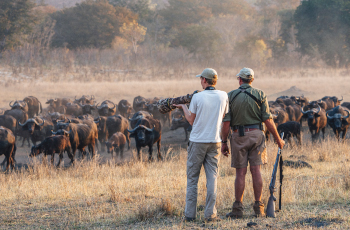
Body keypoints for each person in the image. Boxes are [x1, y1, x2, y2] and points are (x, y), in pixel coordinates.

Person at [221, 67, 285, 218]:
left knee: (240, 173)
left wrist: (224, 142)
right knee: (256, 171)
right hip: (257, 135)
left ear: (239, 79)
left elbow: (226, 123)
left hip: (238, 136)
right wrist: (277, 139)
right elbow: (268, 120)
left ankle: (237, 209)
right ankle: (259, 208)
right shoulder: (260, 94)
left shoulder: (230, 95)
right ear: (252, 80)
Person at [174, 68, 228, 222]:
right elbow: (224, 117)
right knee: (212, 178)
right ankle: (210, 214)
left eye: (201, 79)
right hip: (215, 141)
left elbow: (191, 120)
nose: (200, 81)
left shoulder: (197, 97)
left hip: (197, 141)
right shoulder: (223, 96)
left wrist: (183, 106)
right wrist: (224, 141)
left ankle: (190, 215)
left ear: (204, 80)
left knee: (192, 179)